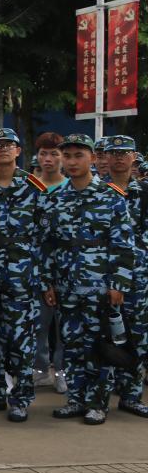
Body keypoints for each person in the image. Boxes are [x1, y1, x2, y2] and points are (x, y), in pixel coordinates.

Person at [46, 134, 135, 425]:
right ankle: (75, 399)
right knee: (71, 343)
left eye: (78, 156)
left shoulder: (111, 197)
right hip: (66, 284)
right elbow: (49, 244)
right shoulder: (56, 198)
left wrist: (118, 284)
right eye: (67, 156)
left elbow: (123, 245)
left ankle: (97, 403)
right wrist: (48, 282)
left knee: (98, 345)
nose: (72, 162)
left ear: (93, 159)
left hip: (99, 286)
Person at [0, 127, 50, 421]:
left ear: (18, 151)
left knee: (21, 341)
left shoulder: (34, 187)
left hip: (23, 275)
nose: (3, 149)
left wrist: (41, 276)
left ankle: (21, 398)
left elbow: (45, 237)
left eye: (9, 145)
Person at [104, 135, 148, 416]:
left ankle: (131, 394)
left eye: (124, 153)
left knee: (137, 335)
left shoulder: (144, 192)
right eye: (114, 153)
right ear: (105, 158)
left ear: (133, 157)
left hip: (138, 275)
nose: (119, 158)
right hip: (101, 273)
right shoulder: (97, 191)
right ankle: (99, 394)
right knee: (101, 334)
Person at [31, 132, 68, 391]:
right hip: (36, 265)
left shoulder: (73, 188)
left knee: (65, 325)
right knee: (38, 323)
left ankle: (63, 370)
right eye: (43, 153)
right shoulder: (29, 188)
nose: (48, 159)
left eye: (54, 153)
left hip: (69, 266)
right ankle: (41, 369)